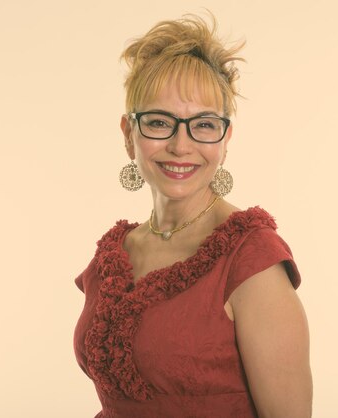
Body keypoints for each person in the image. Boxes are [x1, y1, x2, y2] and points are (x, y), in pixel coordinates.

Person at [73, 14, 312, 418]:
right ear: (128, 135)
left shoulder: (251, 260)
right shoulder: (113, 255)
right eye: (159, 123)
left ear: (225, 139)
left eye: (203, 124)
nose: (181, 145)